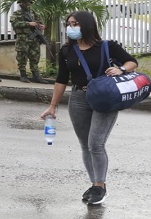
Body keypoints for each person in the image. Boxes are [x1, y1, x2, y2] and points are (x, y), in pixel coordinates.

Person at [40, 11, 138, 205]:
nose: (71, 27)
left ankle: (100, 186)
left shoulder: (107, 47)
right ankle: (95, 184)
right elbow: (61, 79)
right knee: (85, 145)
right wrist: (52, 106)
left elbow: (132, 62)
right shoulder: (67, 50)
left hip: (104, 99)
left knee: (96, 143)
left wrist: (122, 69)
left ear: (86, 25)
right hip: (78, 98)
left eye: (75, 23)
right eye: (69, 23)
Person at [10, 0, 47, 83]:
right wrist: (28, 24)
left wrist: (41, 26)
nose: (24, 4)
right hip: (23, 39)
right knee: (22, 57)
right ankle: (23, 75)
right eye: (22, 3)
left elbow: (40, 23)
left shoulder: (34, 13)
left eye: (26, 3)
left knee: (35, 57)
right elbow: (15, 24)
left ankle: (36, 76)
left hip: (34, 39)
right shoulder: (16, 14)